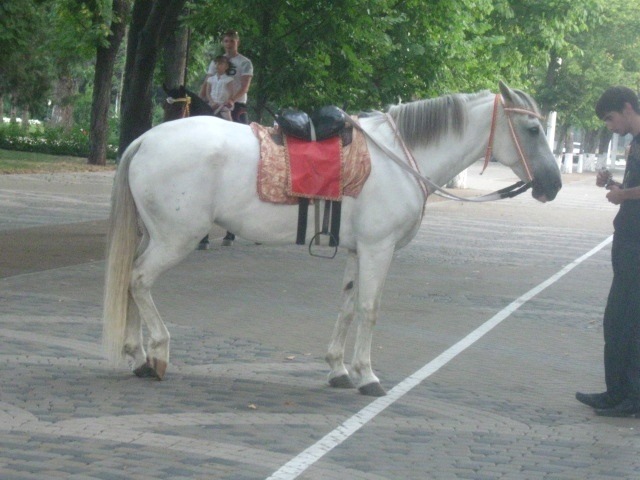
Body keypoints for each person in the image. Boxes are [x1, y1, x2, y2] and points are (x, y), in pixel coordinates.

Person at [576, 86, 640, 417]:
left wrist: (624, 195)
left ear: (627, 108)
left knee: (629, 322)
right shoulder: (635, 144)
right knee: (616, 321)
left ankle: (632, 397)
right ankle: (616, 392)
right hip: (628, 238)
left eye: (611, 119)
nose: (610, 127)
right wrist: (612, 186)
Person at [200, 29, 254, 247]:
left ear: (237, 42)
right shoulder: (215, 62)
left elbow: (244, 86)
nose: (228, 43)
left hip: (235, 105)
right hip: (213, 104)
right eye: (225, 40)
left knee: (245, 137)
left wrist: (231, 100)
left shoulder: (244, 63)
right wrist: (202, 99)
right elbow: (207, 83)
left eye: (231, 40)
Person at [205, 55, 235, 121]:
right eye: (216, 63)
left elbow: (231, 95)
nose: (217, 65)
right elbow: (208, 93)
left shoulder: (229, 80)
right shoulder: (210, 79)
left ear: (226, 66)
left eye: (220, 64)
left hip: (223, 108)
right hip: (211, 106)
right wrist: (212, 102)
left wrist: (225, 103)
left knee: (228, 123)